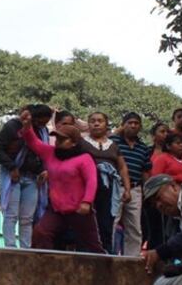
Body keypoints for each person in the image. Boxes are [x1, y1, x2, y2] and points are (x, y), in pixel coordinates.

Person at [18, 108, 103, 253]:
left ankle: (105, 272)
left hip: (79, 210)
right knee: (41, 233)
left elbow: (92, 181)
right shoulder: (51, 153)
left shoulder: (84, 158)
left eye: (62, 139)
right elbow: (34, 143)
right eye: (57, 138)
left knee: (91, 246)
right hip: (56, 209)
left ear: (74, 142)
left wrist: (87, 202)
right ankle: (46, 266)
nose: (57, 142)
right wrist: (27, 126)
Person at [0, 104, 52, 249]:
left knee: (27, 218)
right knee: (11, 215)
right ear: (31, 117)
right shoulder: (13, 126)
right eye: (38, 122)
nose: (40, 126)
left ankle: (26, 248)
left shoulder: (42, 131)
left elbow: (43, 153)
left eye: (44, 123)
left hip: (32, 177)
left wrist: (44, 169)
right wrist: (11, 167)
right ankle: (10, 247)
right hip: (12, 175)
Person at [81, 112, 131, 254]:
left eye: (100, 121)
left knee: (106, 223)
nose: (96, 124)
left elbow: (122, 167)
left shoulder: (113, 145)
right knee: (86, 222)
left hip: (109, 189)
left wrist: (127, 189)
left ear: (106, 124)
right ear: (88, 124)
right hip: (86, 188)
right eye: (92, 121)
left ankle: (106, 254)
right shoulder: (82, 143)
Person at [110, 112, 150, 255]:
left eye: (136, 123)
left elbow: (145, 171)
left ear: (140, 126)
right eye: (130, 122)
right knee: (112, 224)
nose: (133, 125)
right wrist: (118, 130)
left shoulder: (143, 147)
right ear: (124, 125)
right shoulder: (113, 141)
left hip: (135, 189)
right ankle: (109, 256)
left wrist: (146, 192)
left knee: (134, 228)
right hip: (115, 187)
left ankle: (131, 260)